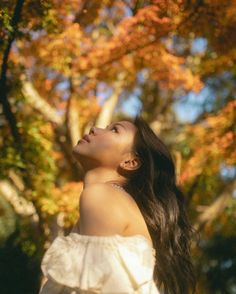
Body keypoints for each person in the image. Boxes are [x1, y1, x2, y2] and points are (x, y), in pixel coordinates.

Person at [39, 115, 196, 294]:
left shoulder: (102, 196)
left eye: (114, 130)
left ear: (130, 162)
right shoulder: (111, 200)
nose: (94, 129)